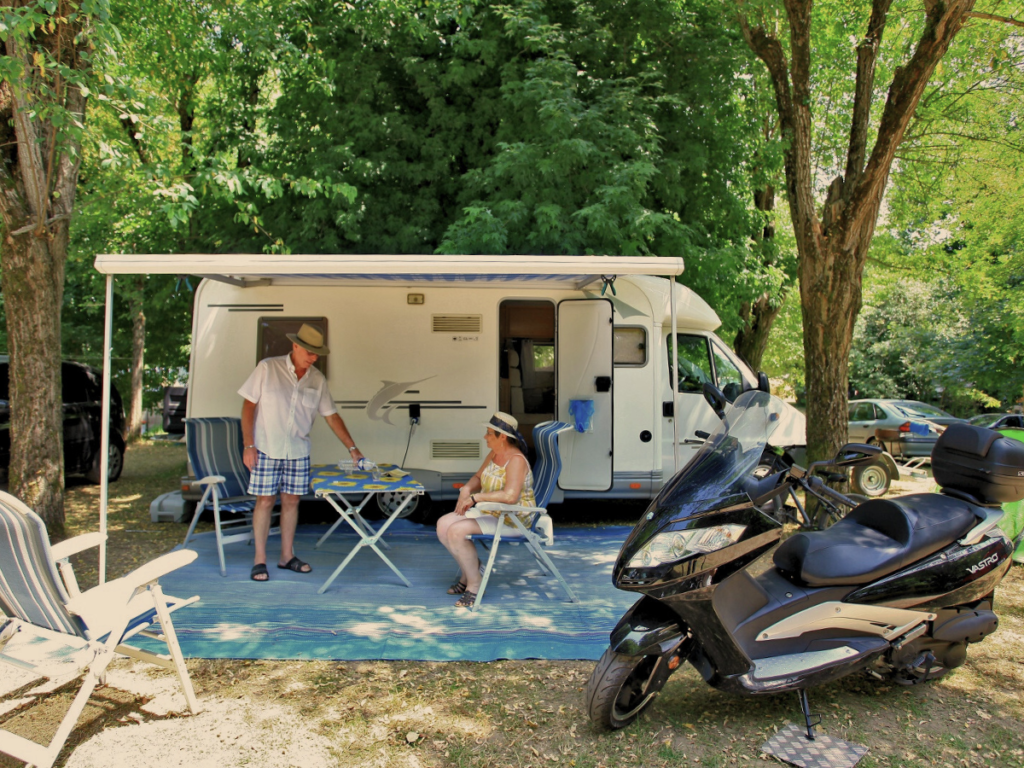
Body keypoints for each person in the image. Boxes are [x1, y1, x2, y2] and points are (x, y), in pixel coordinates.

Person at [239, 323, 364, 582]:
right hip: (265, 448)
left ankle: (286, 556)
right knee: (264, 501)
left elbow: (331, 416)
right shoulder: (267, 368)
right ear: (295, 345)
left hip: (297, 451)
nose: (314, 357)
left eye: (317, 353)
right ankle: (259, 559)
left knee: (292, 502)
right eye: (310, 351)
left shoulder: (317, 379)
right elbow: (248, 406)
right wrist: (248, 445)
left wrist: (353, 449)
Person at [435, 411, 536, 608]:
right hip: (492, 511)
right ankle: (471, 570)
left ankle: (474, 584)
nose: (485, 437)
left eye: (490, 433)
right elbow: (478, 477)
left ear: (503, 437)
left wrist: (476, 497)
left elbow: (510, 496)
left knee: (456, 531)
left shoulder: (515, 460)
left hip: (511, 517)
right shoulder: (495, 453)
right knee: (442, 525)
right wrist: (466, 488)